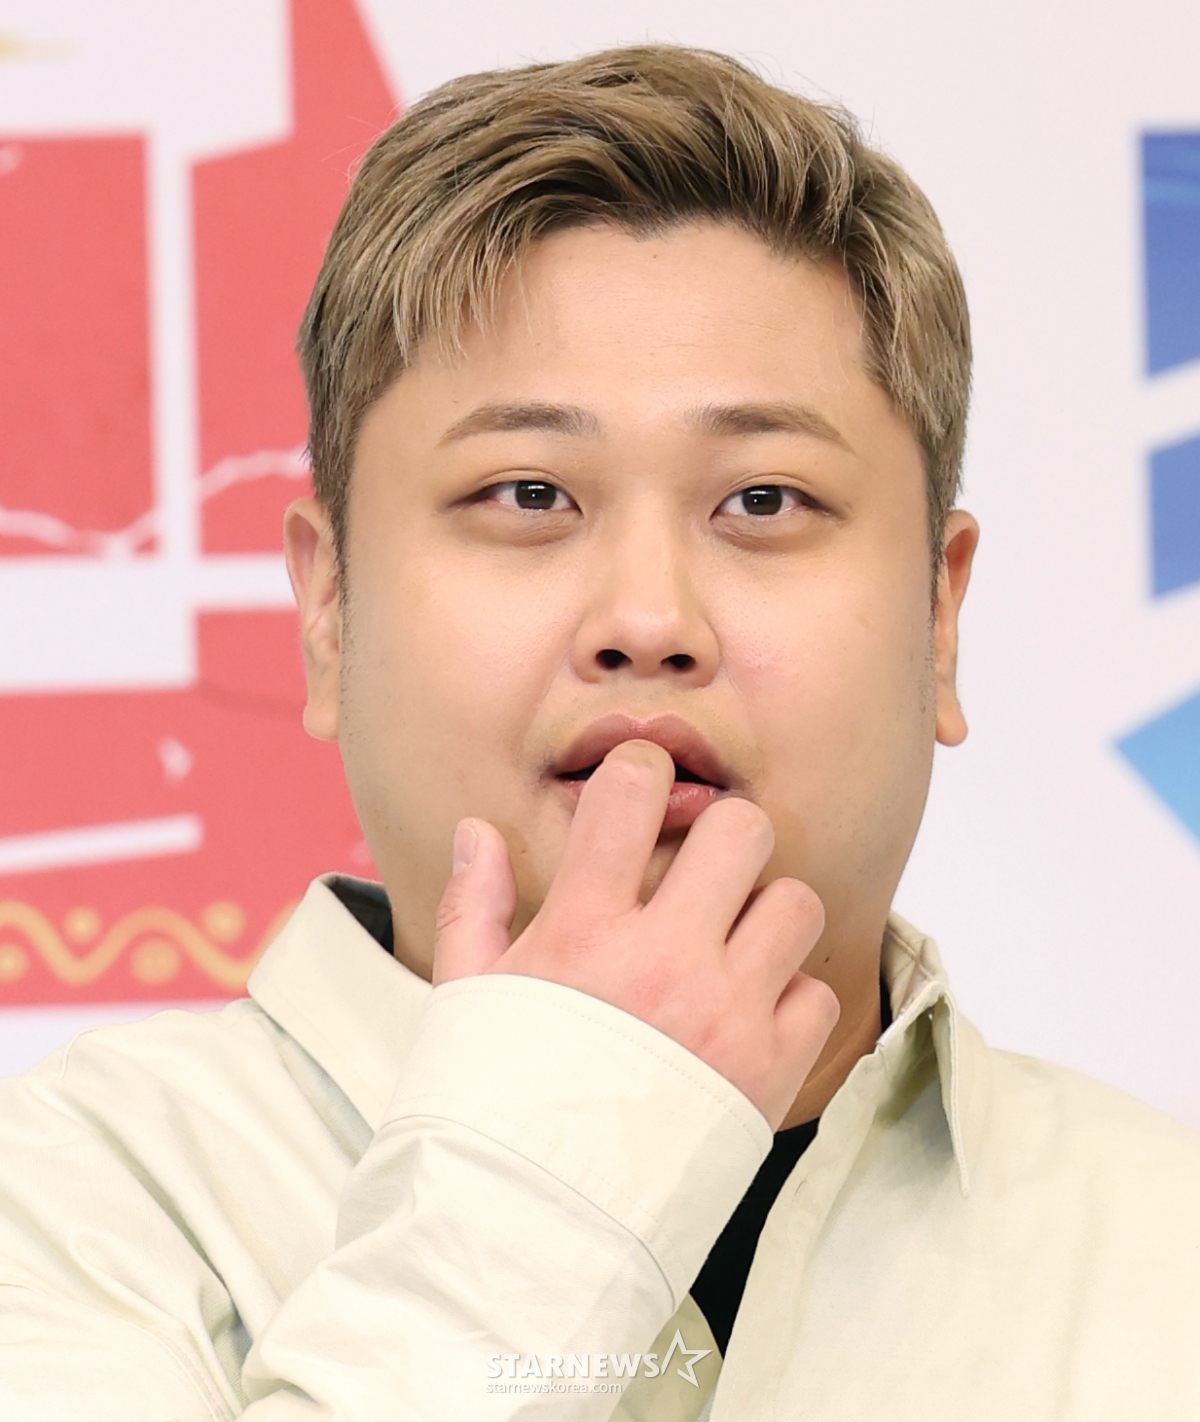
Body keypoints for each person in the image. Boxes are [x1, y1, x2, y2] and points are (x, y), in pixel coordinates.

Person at [1, 44, 1198, 1422]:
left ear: (939, 614)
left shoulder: (1168, 1252)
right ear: (328, 609)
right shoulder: (67, 1206)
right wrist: (555, 1169)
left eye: (762, 501)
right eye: (528, 493)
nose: (648, 620)